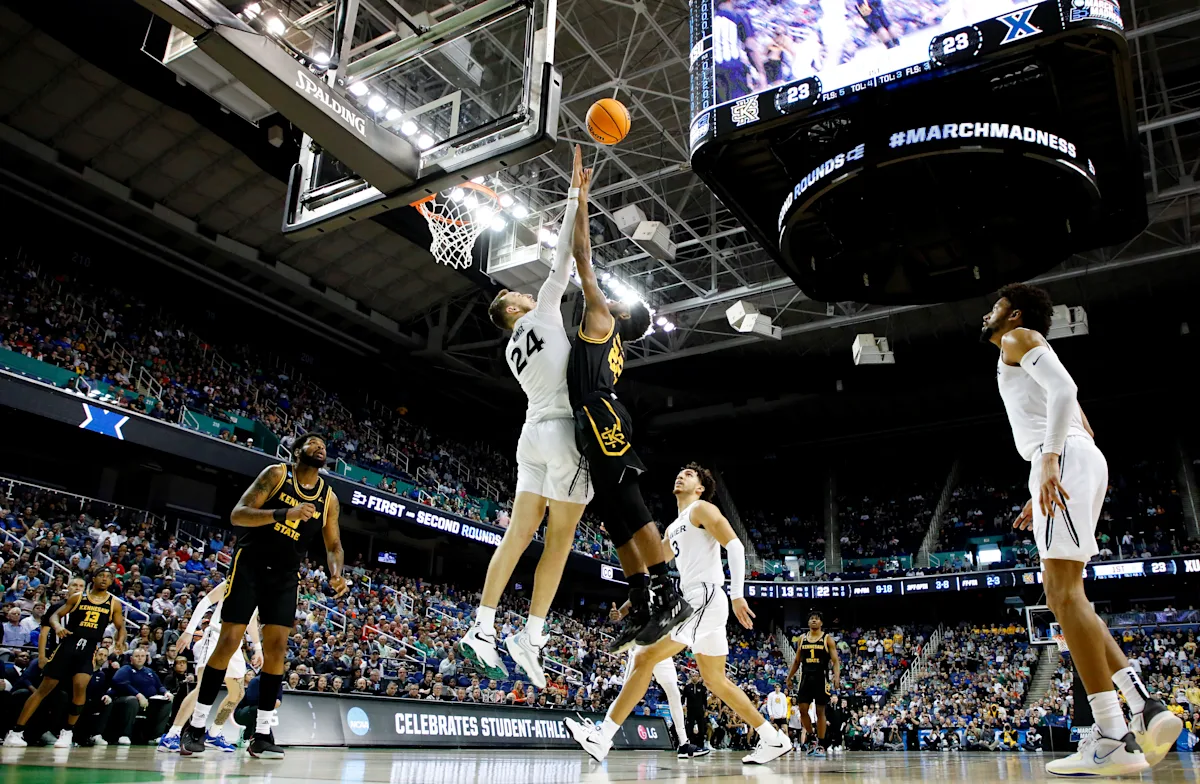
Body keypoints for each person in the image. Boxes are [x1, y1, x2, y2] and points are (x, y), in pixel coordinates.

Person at [983, 283, 1182, 775]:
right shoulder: (1023, 351)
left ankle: (1113, 733)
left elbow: (1067, 392)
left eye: (996, 307)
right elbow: (1084, 425)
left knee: (1063, 594)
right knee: (1068, 597)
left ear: (1015, 314)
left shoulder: (1017, 338)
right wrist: (1045, 478)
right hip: (1079, 456)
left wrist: (1049, 458)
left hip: (1061, 457)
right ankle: (1141, 707)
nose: (987, 314)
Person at [463, 146, 595, 689]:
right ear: (513, 308)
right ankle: (531, 636)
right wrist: (574, 196)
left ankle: (483, 625)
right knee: (560, 541)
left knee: (516, 537)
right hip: (561, 431)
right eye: (515, 292)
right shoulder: (539, 310)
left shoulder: (508, 352)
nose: (522, 288)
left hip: (531, 435)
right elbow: (565, 255)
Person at [564, 464, 791, 765]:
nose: (680, 475)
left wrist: (737, 594)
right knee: (716, 681)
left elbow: (735, 546)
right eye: (680, 472)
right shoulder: (674, 527)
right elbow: (648, 565)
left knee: (645, 656)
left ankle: (603, 737)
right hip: (696, 600)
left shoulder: (702, 508)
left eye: (689, 474)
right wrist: (620, 533)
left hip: (707, 597)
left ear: (699, 487)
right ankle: (774, 739)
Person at [566, 159, 692, 653]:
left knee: (632, 506)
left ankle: (669, 590)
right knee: (615, 515)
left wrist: (580, 200)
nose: (610, 297)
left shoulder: (601, 318)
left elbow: (582, 255)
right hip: (595, 415)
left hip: (603, 415)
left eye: (617, 298)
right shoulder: (606, 333)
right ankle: (641, 596)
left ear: (620, 312)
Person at [180, 432, 346, 759]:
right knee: (228, 641)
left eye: (323, 445)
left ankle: (263, 733)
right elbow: (238, 514)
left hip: (285, 575)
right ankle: (196, 726)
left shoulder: (329, 498)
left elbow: (334, 546)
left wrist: (337, 573)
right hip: (250, 565)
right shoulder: (276, 475)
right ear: (297, 451)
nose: (320, 447)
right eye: (313, 443)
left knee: (277, 650)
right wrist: (284, 514)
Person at [5, 567, 126, 748]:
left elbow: (121, 627)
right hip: (68, 646)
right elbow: (54, 616)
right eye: (101, 575)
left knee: (80, 687)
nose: (104, 579)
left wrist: (120, 641)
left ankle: (67, 732)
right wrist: (57, 627)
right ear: (94, 578)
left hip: (88, 650)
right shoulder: (78, 598)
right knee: (44, 689)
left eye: (109, 577)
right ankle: (15, 731)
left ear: (111, 582)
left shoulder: (114, 603)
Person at [159, 580, 262, 753]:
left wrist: (258, 648)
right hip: (215, 636)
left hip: (236, 641)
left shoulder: (261, 588)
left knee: (237, 693)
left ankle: (214, 734)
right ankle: (172, 734)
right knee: (202, 688)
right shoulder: (234, 579)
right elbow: (205, 601)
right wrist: (190, 630)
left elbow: (251, 621)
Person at [784, 611, 839, 758]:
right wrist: (789, 677)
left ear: (821, 623)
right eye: (811, 619)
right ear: (808, 623)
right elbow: (796, 661)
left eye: (817, 619)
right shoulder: (802, 639)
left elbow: (835, 661)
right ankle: (811, 737)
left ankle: (821, 744)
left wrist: (837, 677)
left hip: (821, 677)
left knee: (820, 712)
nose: (814, 621)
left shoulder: (827, 639)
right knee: (802, 709)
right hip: (806, 678)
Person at [109, 648, 172, 743]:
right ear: (131, 658)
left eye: (142, 656)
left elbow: (159, 686)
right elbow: (118, 682)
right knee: (132, 700)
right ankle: (125, 735)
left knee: (166, 702)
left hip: (148, 701)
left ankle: (156, 736)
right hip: (125, 700)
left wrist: (165, 692)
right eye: (137, 656)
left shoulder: (149, 671)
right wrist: (137, 694)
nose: (140, 658)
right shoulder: (125, 669)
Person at [682, 670, 710, 749]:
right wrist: (683, 706)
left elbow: (705, 700)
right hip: (690, 711)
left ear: (698, 678)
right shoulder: (687, 687)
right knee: (689, 727)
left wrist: (706, 710)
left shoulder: (702, 688)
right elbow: (683, 698)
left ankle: (701, 745)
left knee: (701, 728)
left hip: (700, 711)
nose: (694, 678)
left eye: (696, 676)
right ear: (691, 677)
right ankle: (690, 744)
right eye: (693, 676)